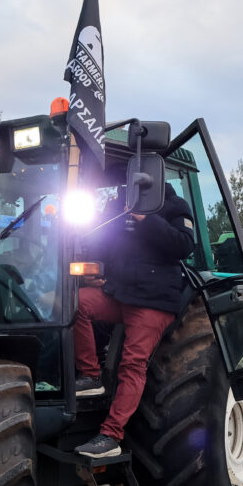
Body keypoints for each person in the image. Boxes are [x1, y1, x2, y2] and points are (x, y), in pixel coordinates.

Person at [72, 184, 195, 458]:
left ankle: (111, 436)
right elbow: (105, 244)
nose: (127, 185)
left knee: (132, 364)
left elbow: (184, 245)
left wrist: (147, 220)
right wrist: (93, 266)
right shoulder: (118, 207)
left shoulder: (175, 206)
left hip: (154, 300)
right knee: (76, 303)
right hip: (122, 294)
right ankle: (92, 376)